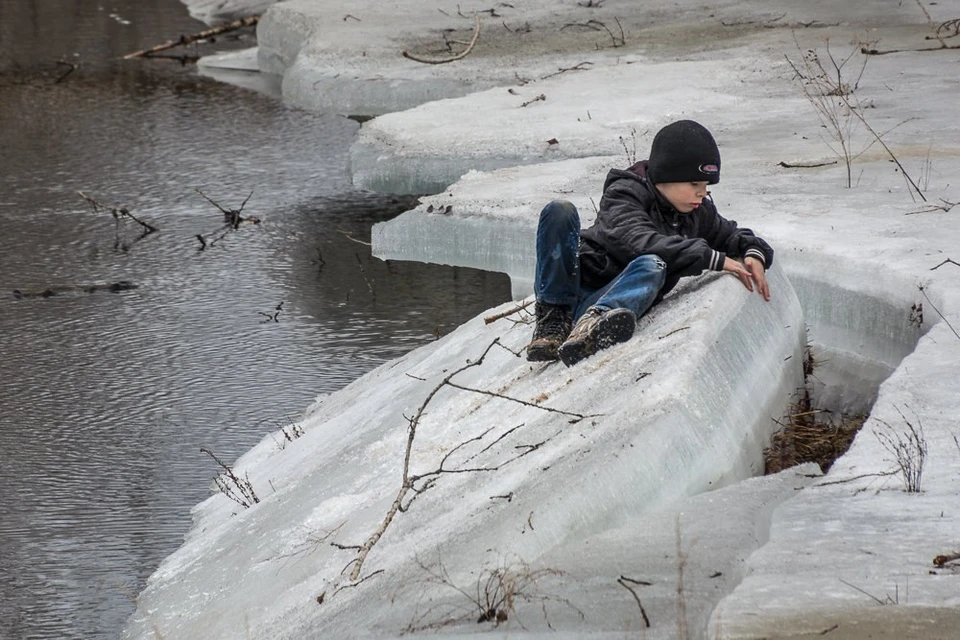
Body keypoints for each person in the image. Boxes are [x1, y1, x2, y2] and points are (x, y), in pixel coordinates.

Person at [526, 119, 774, 366]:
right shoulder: (624, 194)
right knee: (560, 211)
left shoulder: (698, 212)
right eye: (694, 184)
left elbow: (731, 234)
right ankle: (553, 320)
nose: (702, 192)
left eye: (706, 186)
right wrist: (711, 258)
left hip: (607, 303)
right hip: (576, 287)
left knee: (652, 266)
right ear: (668, 176)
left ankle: (595, 324)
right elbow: (637, 241)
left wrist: (753, 252)